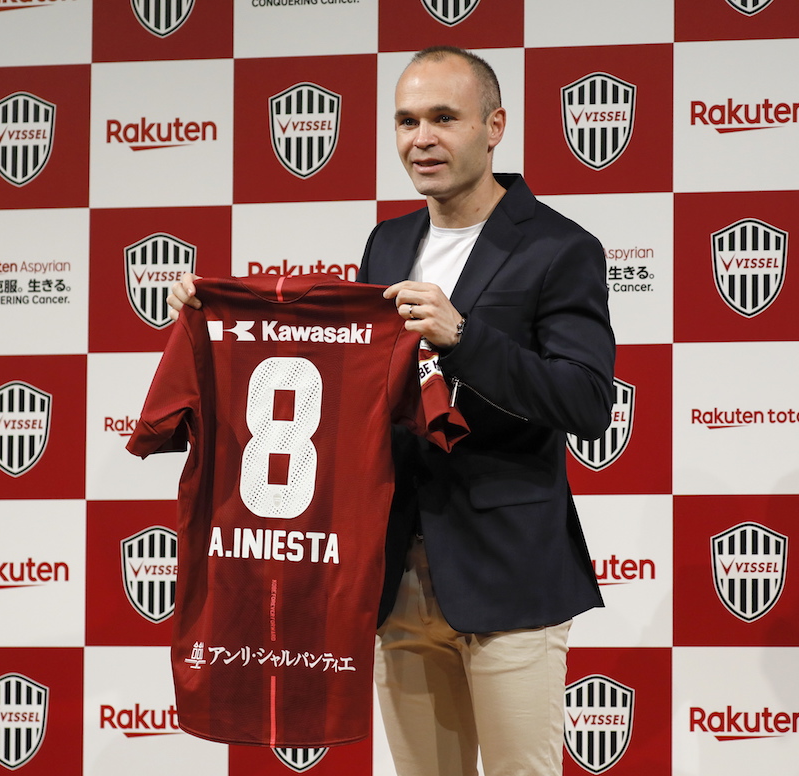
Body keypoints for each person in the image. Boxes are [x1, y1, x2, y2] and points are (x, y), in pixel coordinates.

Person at [168, 46, 615, 776]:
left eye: (444, 117)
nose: (421, 138)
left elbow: (588, 401)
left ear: (494, 125)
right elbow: (349, 377)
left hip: (508, 573)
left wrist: (463, 336)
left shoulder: (560, 248)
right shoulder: (388, 241)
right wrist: (219, 317)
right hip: (396, 576)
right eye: (406, 121)